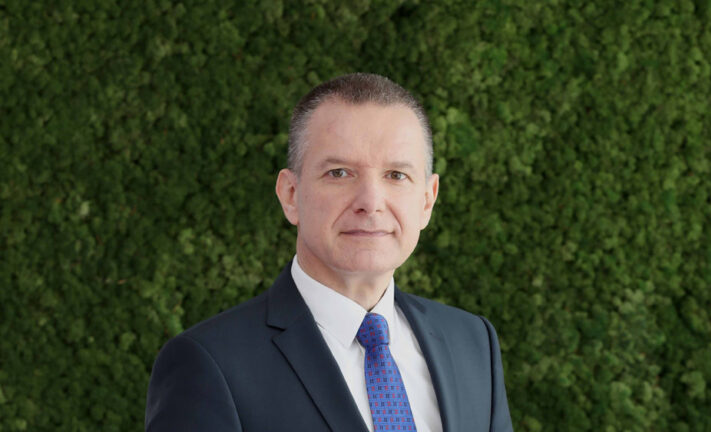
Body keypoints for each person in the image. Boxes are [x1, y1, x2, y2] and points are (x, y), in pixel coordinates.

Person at [145, 73, 514, 431]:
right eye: (339, 173)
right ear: (290, 195)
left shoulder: (473, 341)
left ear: (427, 201)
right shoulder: (210, 364)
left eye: (396, 175)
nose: (371, 202)